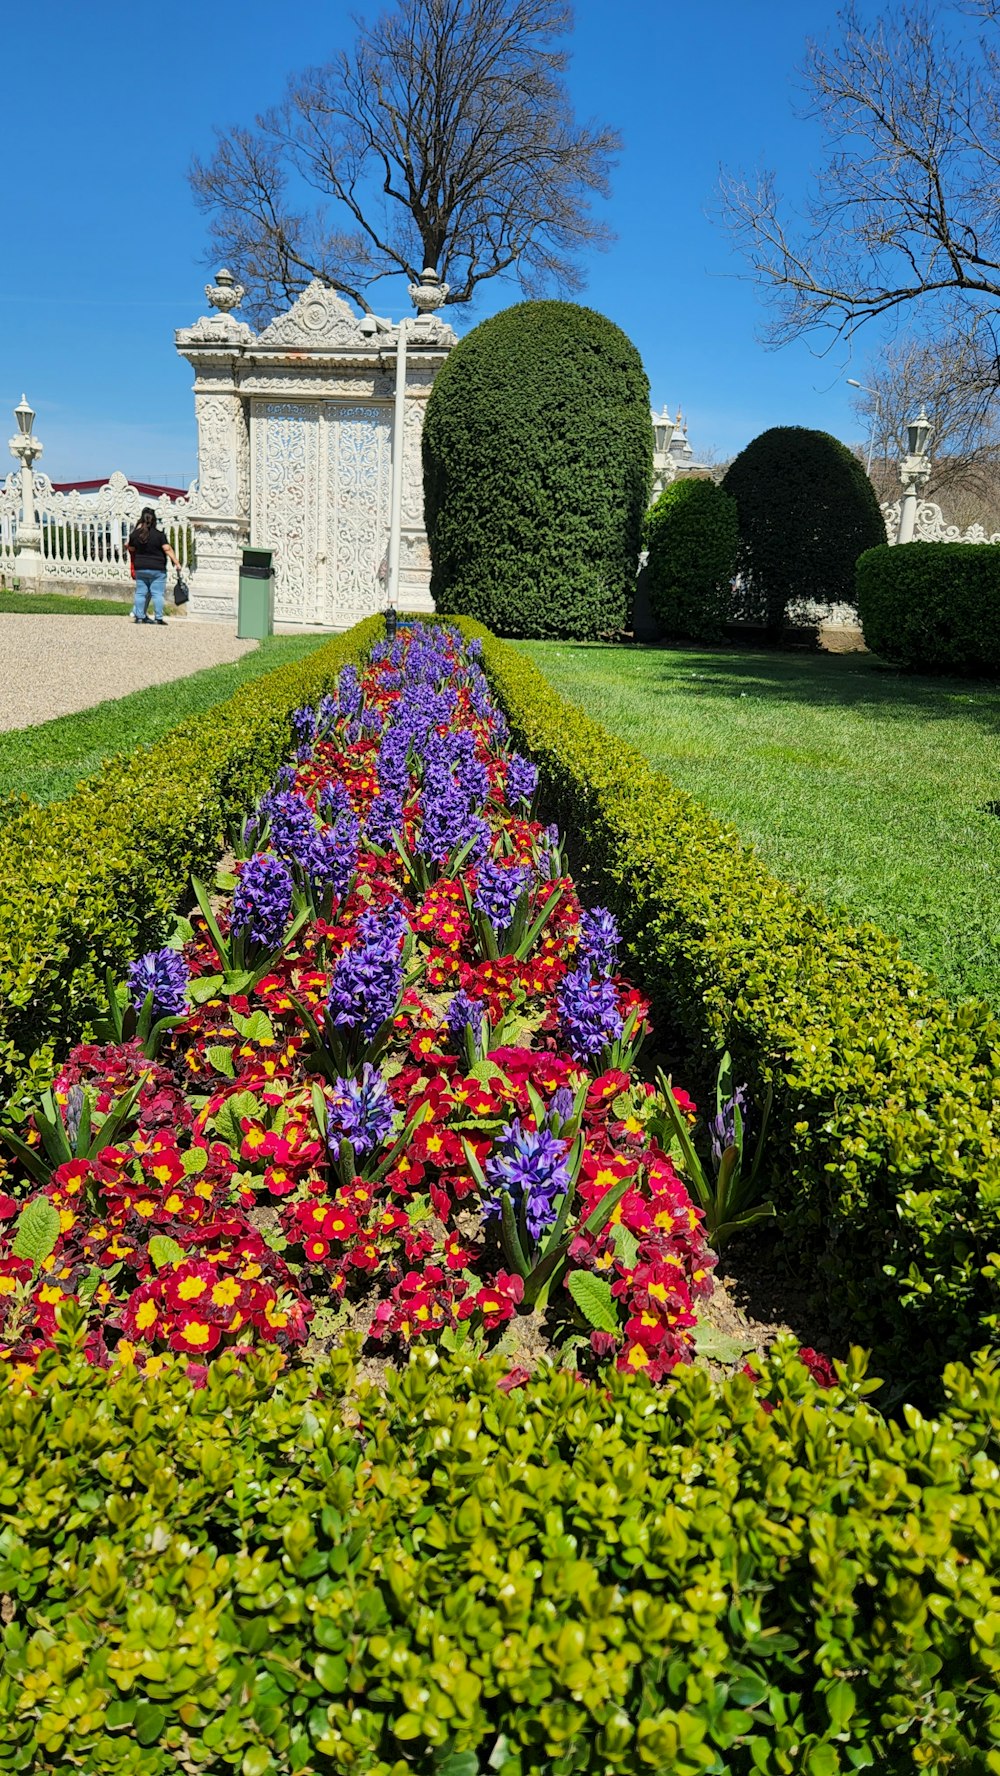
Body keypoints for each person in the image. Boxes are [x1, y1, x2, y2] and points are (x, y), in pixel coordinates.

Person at [126, 507, 180, 625]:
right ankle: (158, 618)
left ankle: (140, 617)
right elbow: (167, 548)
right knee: (157, 594)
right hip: (157, 568)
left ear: (141, 518)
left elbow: (131, 548)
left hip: (140, 567)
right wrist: (176, 562)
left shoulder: (135, 535)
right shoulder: (159, 535)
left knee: (140, 593)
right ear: (154, 520)